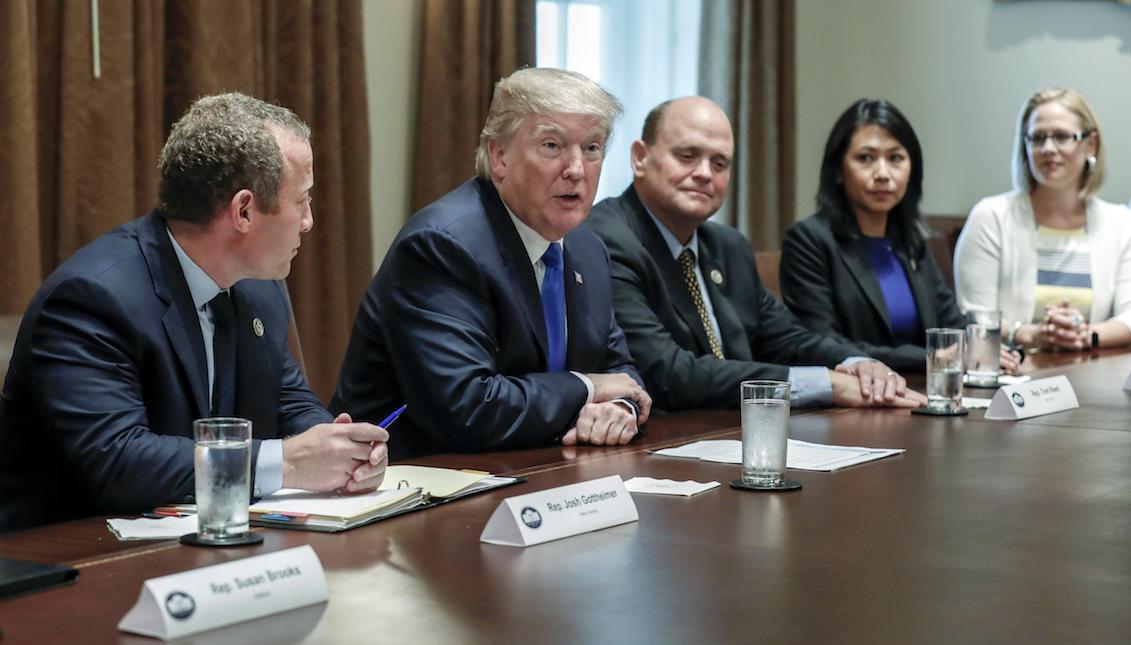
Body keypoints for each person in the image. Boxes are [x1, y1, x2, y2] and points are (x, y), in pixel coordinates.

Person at [0, 93, 389, 532]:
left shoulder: (259, 288)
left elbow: (288, 401)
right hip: (73, 561)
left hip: (202, 547)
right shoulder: (91, 298)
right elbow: (117, 461)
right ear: (243, 211)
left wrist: (341, 450)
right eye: (302, 200)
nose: (308, 221)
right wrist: (291, 462)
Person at [331, 68, 651, 461]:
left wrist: (621, 409)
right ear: (499, 156)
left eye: (592, 148)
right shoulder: (443, 246)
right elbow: (469, 408)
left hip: (538, 473)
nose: (576, 169)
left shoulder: (587, 247)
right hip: (415, 482)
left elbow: (621, 371)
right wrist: (588, 388)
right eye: (552, 145)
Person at [585, 96, 925, 411]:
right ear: (640, 158)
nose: (705, 173)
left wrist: (856, 363)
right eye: (687, 156)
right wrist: (826, 385)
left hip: (738, 431)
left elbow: (786, 338)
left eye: (720, 163)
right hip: (658, 444)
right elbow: (668, 373)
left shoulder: (728, 246)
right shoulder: (606, 240)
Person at [780, 99, 1021, 374]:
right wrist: (938, 358)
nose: (882, 174)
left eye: (895, 158)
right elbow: (824, 343)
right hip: (855, 400)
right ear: (837, 170)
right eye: (865, 158)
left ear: (911, 169)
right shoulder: (809, 240)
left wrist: (987, 346)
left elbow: (950, 321)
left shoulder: (911, 241)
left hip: (923, 391)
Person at [954, 88, 1131, 352]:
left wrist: (1084, 335)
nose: (1048, 148)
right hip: (1013, 377)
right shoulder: (991, 216)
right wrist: (1029, 334)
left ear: (1091, 144)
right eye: (1038, 138)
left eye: (1062, 136)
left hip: (1094, 375)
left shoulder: (1121, 222)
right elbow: (974, 316)